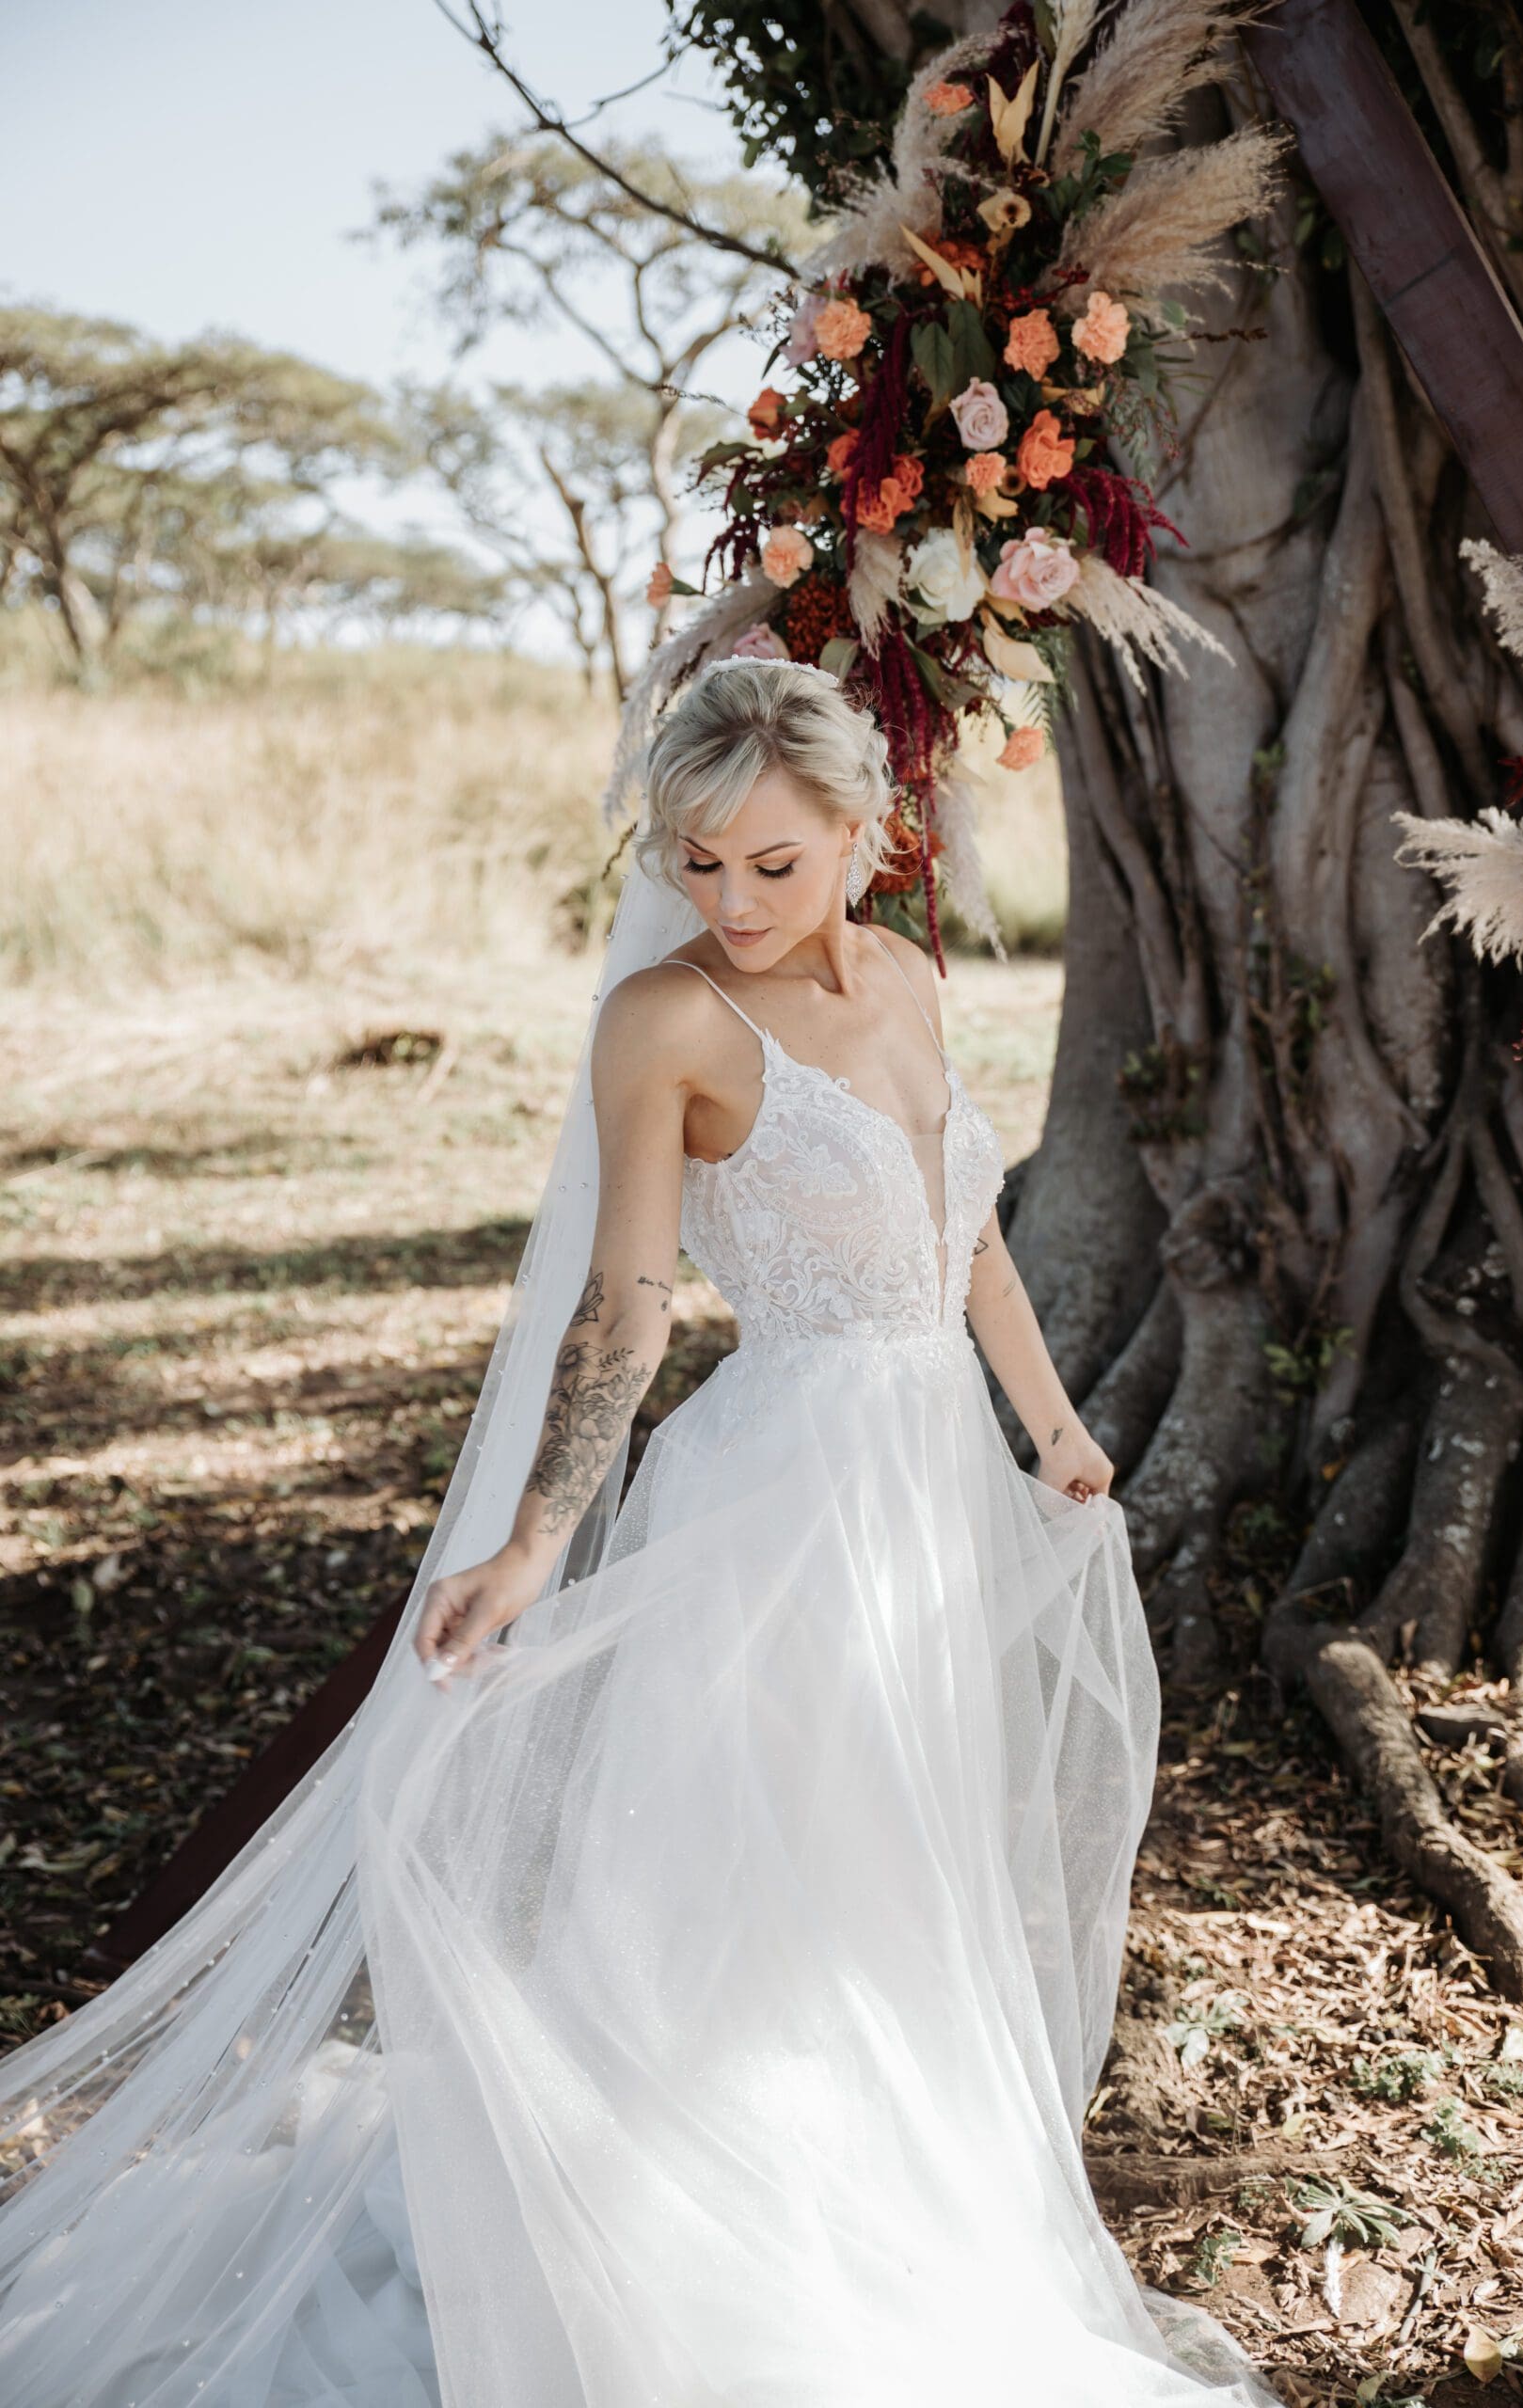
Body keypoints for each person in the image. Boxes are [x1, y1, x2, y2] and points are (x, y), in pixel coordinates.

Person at [0, 659, 1272, 2406]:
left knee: (892, 1890)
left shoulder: (904, 976)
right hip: (784, 1499)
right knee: (743, 1884)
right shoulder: (667, 1023)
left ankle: (876, 2203)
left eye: (770, 865)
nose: (730, 904)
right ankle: (677, 2256)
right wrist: (534, 1538)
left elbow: (962, 1224)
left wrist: (1050, 1429)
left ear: (863, 838)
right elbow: (627, 1299)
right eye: (697, 863)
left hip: (932, 1498)